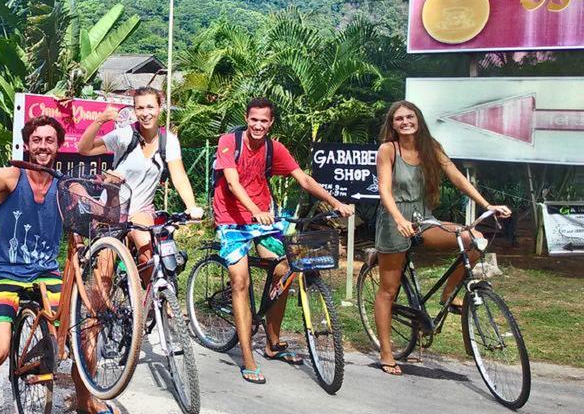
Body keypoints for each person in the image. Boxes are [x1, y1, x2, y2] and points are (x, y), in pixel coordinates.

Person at [0, 115, 113, 414]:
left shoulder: (67, 186)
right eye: (37, 140)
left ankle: (84, 402)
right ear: (27, 144)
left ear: (58, 147)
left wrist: (112, 188)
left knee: (84, 337)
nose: (43, 146)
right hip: (5, 275)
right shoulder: (10, 177)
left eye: (49, 141)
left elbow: (101, 212)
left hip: (46, 274)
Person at [212, 97, 354, 384]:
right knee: (241, 281)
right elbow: (231, 182)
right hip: (231, 219)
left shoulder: (273, 148)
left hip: (263, 217)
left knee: (284, 270)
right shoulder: (230, 141)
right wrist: (253, 210)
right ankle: (248, 358)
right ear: (247, 117)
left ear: (271, 122)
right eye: (254, 119)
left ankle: (272, 343)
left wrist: (335, 202)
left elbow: (304, 179)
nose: (258, 125)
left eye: (264, 121)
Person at [372, 100, 511, 376]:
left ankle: (449, 294)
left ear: (418, 119)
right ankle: (387, 352)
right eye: (399, 119)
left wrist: (486, 205)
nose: (405, 122)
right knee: (388, 290)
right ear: (393, 125)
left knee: (473, 240)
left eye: (409, 117)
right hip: (393, 222)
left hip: (423, 220)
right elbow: (385, 191)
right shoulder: (388, 150)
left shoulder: (430, 148)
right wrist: (399, 219)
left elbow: (457, 177)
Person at [77, 86, 204, 279]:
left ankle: (156, 304)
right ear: (135, 111)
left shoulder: (168, 141)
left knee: (149, 256)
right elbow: (84, 149)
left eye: (150, 107)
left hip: (141, 209)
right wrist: (100, 120)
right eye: (140, 108)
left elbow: (179, 176)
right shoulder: (125, 135)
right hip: (112, 209)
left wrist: (191, 206)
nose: (145, 114)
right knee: (104, 274)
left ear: (160, 108)